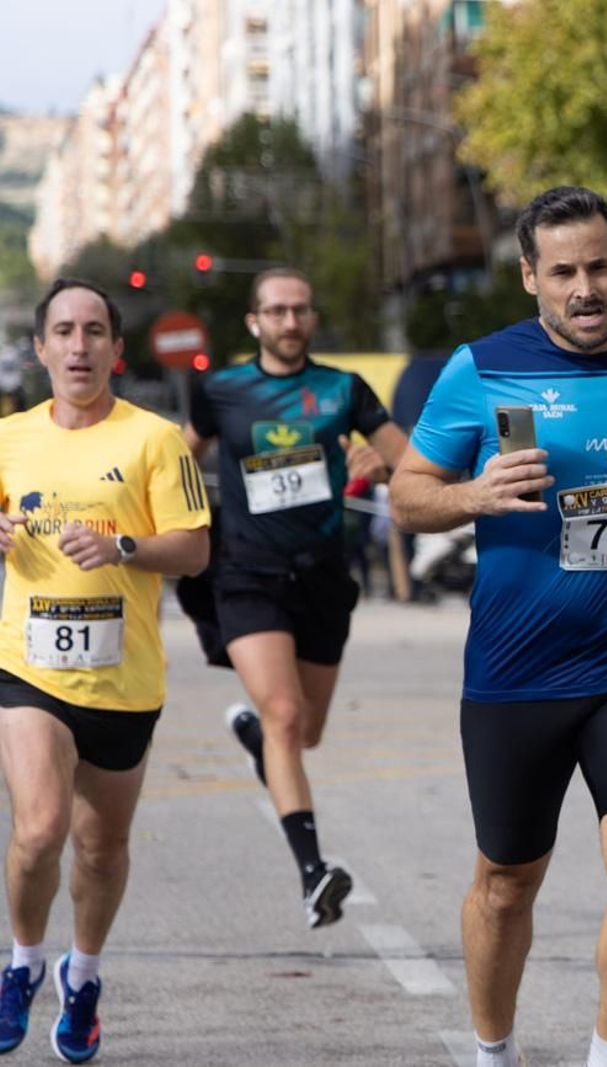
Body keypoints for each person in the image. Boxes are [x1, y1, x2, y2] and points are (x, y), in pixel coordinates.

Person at [387, 185, 607, 1067]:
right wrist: (475, 494)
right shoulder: (480, 368)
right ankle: (493, 1051)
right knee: (506, 887)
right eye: (566, 272)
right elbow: (407, 495)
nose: (587, 288)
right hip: (516, 669)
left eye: (601, 267)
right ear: (530, 277)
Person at [0, 279, 211, 1063]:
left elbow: (194, 548)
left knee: (100, 848)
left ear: (116, 352)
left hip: (124, 679)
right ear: (42, 348)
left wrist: (125, 546)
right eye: (65, 330)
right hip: (28, 670)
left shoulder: (154, 440)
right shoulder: (9, 436)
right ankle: (20, 962)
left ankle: (81, 975)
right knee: (39, 830)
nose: (80, 345)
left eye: (95, 331)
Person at [181, 268, 409, 929]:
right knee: (284, 714)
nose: (289, 321)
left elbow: (413, 458)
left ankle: (256, 739)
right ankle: (314, 873)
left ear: (311, 318)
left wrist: (380, 462)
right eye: (276, 311)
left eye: (300, 310)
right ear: (254, 320)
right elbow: (171, 460)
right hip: (247, 572)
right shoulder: (221, 390)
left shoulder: (343, 388)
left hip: (322, 575)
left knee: (303, 730)